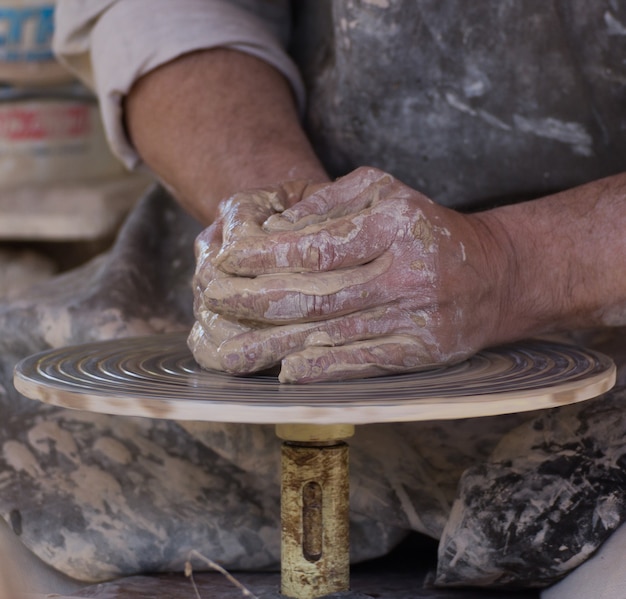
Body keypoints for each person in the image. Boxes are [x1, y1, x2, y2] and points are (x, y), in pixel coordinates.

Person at [0, 0, 620, 596]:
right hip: (232, 240)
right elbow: (166, 15)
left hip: (594, 291)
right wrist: (291, 234)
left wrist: (511, 263)